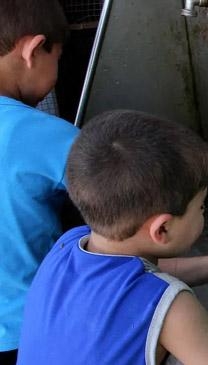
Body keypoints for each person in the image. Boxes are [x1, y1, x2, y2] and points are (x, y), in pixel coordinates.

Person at [18, 110, 208, 364]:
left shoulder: (68, 245)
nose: (203, 212)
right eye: (201, 207)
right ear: (162, 230)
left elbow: (127, 277)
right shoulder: (170, 306)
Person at [0, 1, 78, 361]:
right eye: (57, 58)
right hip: (29, 329)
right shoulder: (50, 136)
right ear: (33, 50)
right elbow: (128, 218)